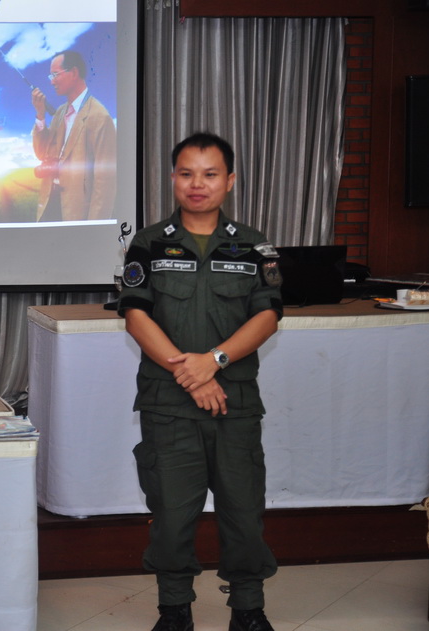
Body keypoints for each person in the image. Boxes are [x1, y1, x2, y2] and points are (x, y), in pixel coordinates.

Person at [116, 132, 282, 631]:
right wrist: (190, 374)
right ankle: (174, 611)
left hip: (235, 403)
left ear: (230, 181)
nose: (197, 184)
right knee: (170, 515)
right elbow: (136, 316)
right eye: (187, 173)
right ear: (173, 178)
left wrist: (214, 360)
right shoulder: (148, 242)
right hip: (168, 405)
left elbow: (268, 316)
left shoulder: (254, 244)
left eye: (210, 174)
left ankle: (248, 610)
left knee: (243, 514)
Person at [31, 49, 116, 222]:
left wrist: (94, 227)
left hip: (75, 213)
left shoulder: (100, 117)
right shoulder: (60, 112)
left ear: (74, 73)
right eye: (50, 76)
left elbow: (105, 183)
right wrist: (40, 115)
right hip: (49, 205)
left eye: (56, 74)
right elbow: (41, 153)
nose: (52, 81)